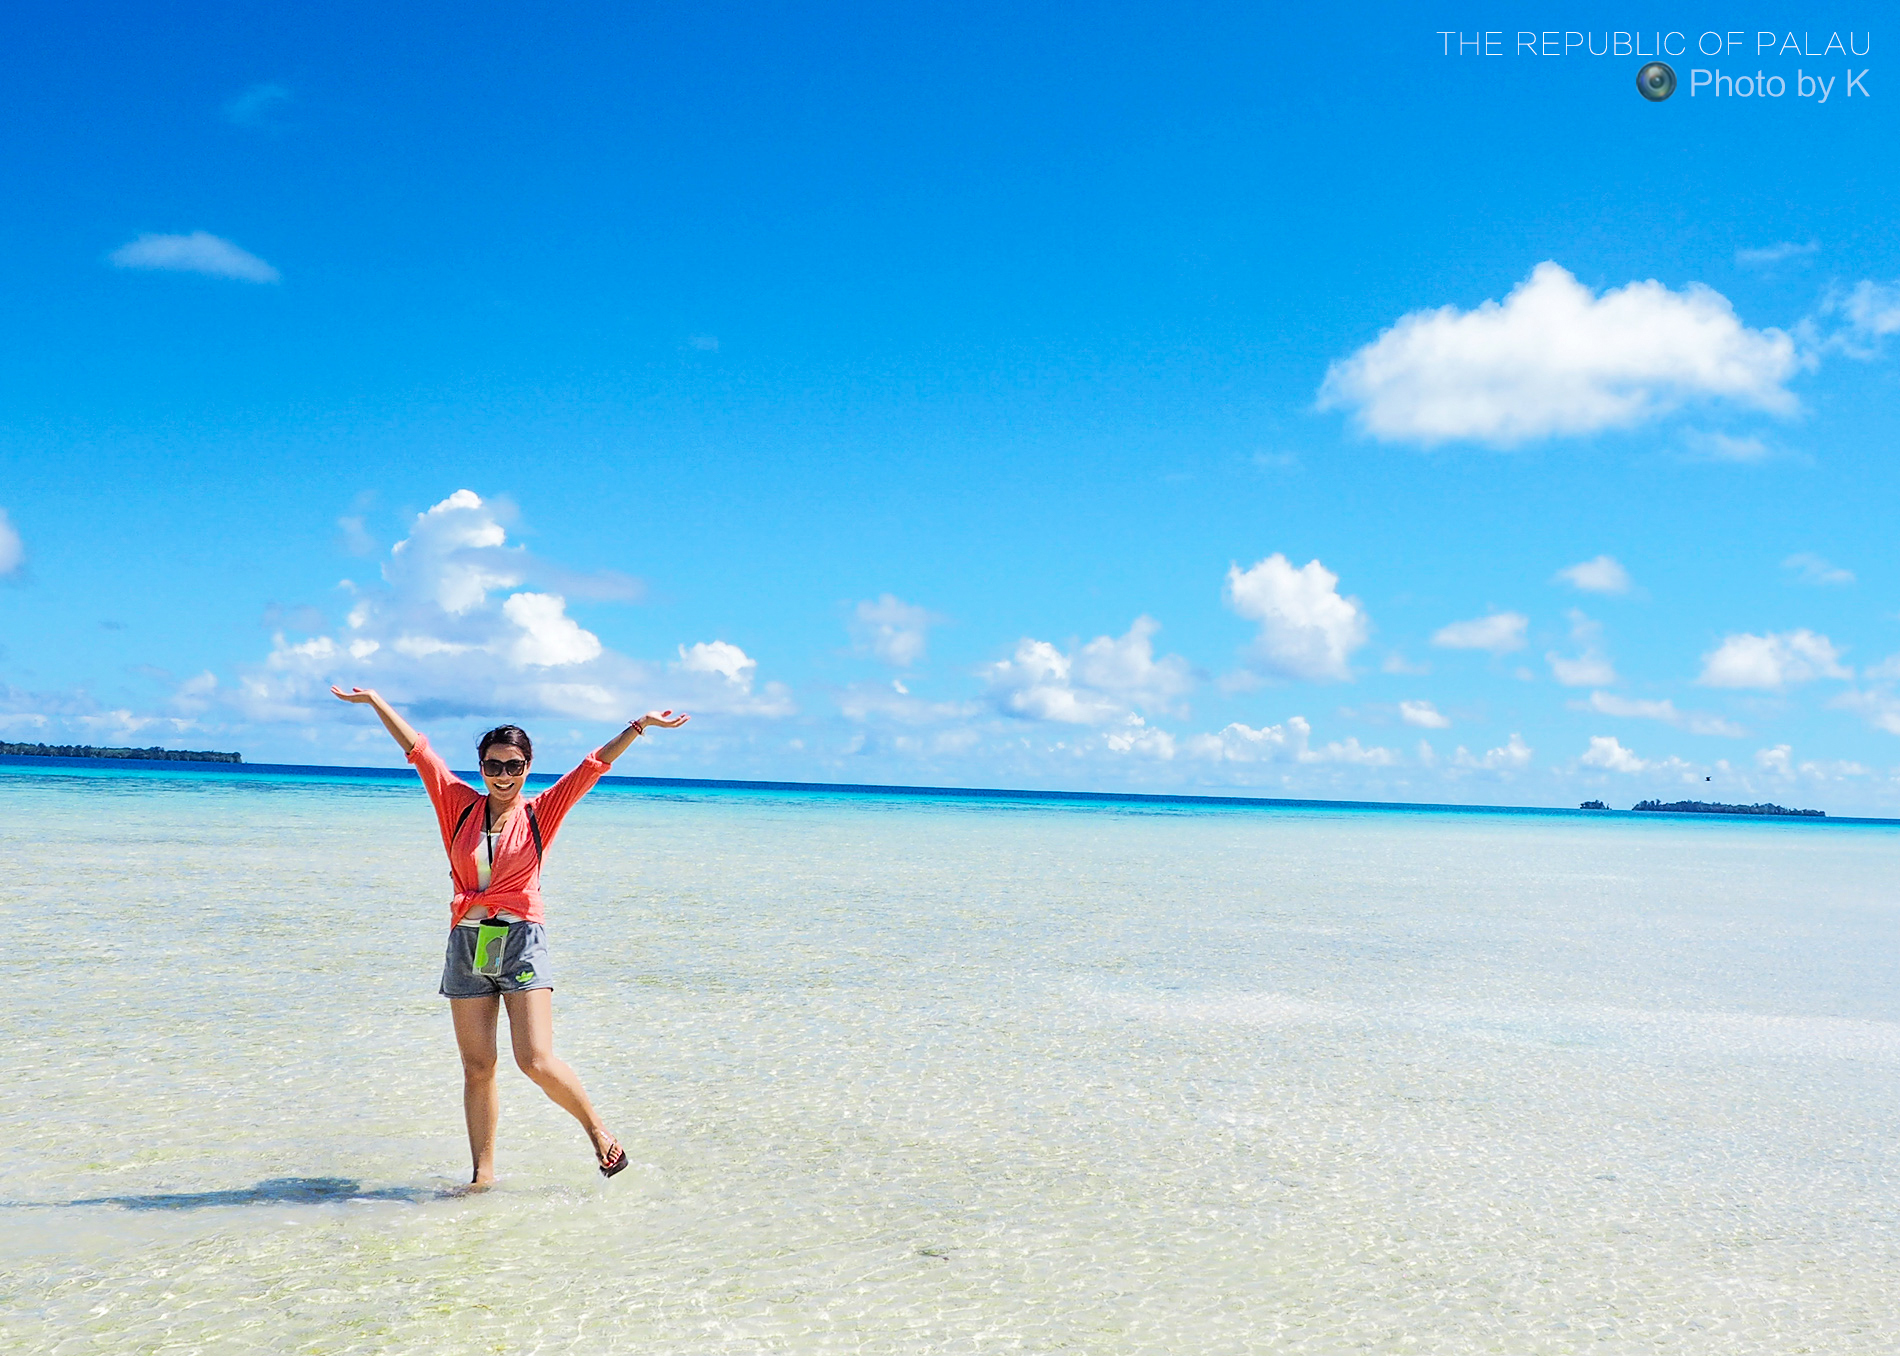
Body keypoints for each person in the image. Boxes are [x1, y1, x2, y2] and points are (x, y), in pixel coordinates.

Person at [331, 684, 689, 1186]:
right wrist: (376, 703)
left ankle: (599, 1133)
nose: (503, 775)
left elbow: (592, 766)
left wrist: (638, 726)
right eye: (493, 766)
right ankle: (482, 1176)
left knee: (534, 1059)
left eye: (513, 765)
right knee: (478, 1067)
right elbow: (418, 751)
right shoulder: (456, 803)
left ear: (527, 767)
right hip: (466, 941)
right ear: (481, 768)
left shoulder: (543, 812)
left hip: (521, 938)